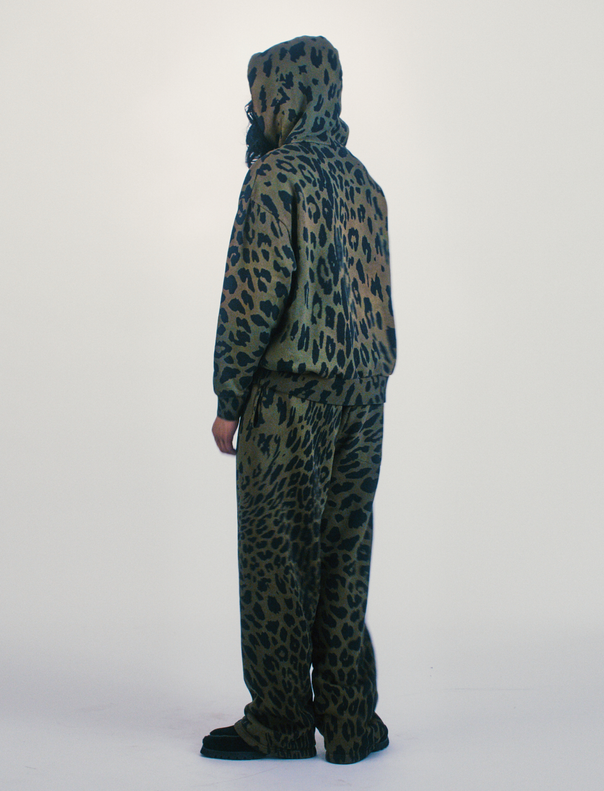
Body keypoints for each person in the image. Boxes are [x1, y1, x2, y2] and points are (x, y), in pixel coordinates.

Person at [200, 35, 397, 765]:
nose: (253, 113)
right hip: (364, 392)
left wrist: (229, 397)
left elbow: (252, 295)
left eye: (259, 98)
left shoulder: (273, 177)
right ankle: (351, 720)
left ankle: (280, 722)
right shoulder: (365, 184)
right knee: (345, 553)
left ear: (284, 97)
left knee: (277, 555)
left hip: (291, 394)